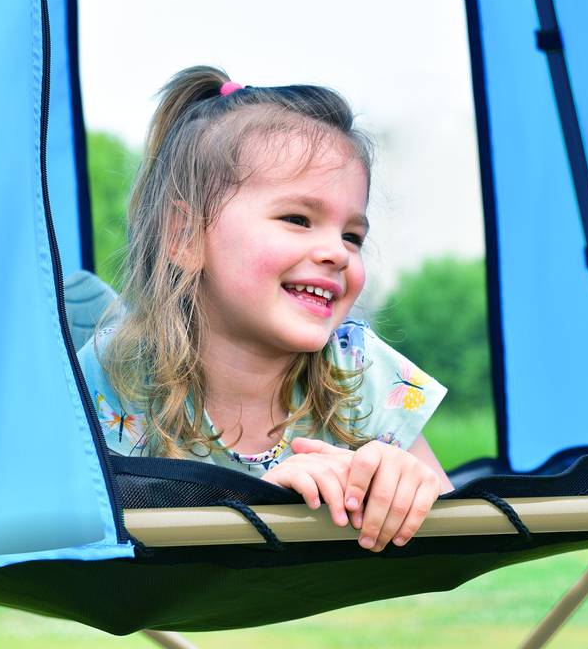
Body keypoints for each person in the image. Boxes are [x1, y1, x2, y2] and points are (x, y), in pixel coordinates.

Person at [78, 66, 453, 552]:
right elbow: (64, 514)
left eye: (352, 236)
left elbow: (456, 520)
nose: (337, 252)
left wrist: (404, 482)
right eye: (298, 219)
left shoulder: (359, 367)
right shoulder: (119, 371)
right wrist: (255, 499)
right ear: (184, 237)